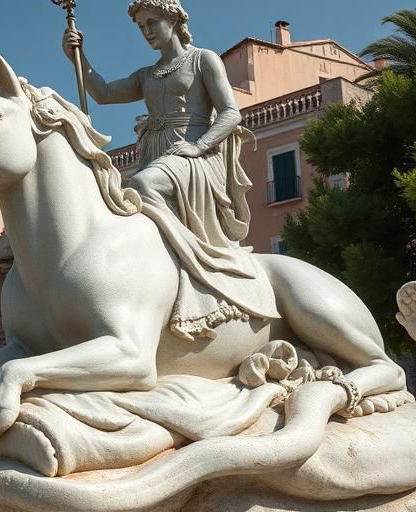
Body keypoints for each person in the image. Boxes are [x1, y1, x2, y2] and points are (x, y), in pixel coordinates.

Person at [62, 0, 280, 341]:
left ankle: (194, 263)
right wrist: (77, 57)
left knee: (143, 184)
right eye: (141, 27)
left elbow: (230, 113)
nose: (147, 32)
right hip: (156, 153)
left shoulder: (202, 59)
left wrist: (199, 145)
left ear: (173, 20)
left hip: (195, 158)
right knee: (119, 202)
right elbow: (103, 94)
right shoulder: (147, 75)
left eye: (152, 23)